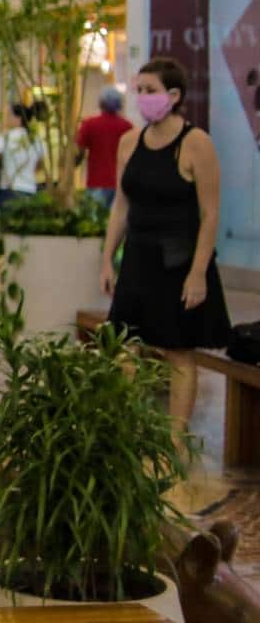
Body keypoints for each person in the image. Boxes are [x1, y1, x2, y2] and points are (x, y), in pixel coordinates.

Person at [103, 59, 232, 443]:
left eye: (150, 90)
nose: (142, 98)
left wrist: (198, 273)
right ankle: (128, 426)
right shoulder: (130, 142)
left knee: (178, 351)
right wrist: (107, 258)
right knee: (124, 345)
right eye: (138, 90)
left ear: (173, 96)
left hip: (180, 260)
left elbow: (210, 214)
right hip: (138, 259)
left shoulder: (197, 144)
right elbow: (120, 206)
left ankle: (175, 436)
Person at [75, 87, 134, 210]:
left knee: (95, 224)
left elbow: (78, 151)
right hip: (120, 183)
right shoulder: (127, 126)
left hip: (96, 182)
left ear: (101, 103)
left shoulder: (89, 124)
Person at [0, 101, 42, 213]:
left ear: (18, 118)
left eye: (9, 115)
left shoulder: (5, 137)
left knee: (8, 227)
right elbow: (40, 165)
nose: (7, 118)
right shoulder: (35, 139)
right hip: (30, 188)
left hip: (8, 188)